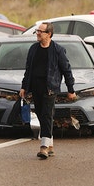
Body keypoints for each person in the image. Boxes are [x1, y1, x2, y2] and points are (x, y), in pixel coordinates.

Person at [18, 22, 76, 159]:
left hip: (50, 87)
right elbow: (28, 70)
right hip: (35, 87)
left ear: (48, 34)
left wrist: (71, 89)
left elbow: (67, 70)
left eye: (40, 31)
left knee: (47, 114)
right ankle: (50, 145)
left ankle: (43, 147)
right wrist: (24, 87)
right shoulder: (33, 49)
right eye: (37, 31)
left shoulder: (57, 50)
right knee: (40, 114)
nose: (37, 33)